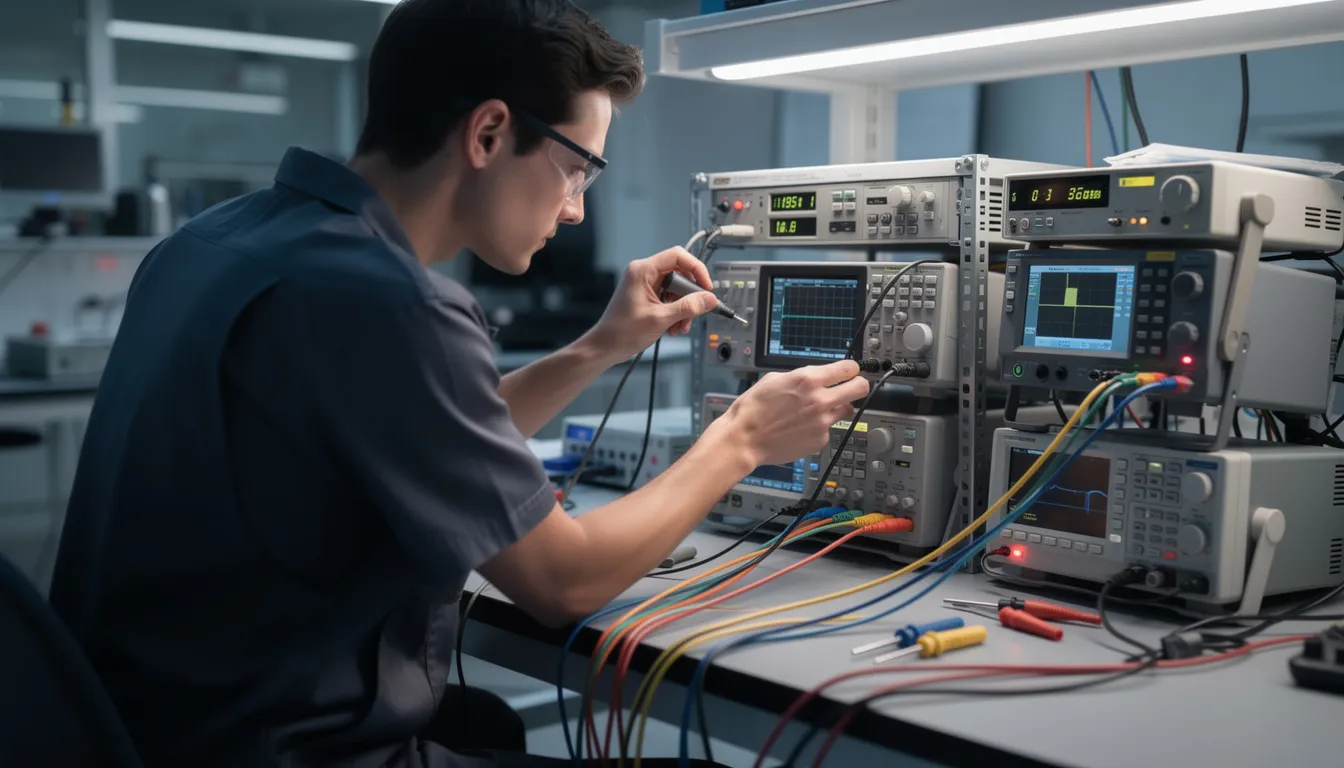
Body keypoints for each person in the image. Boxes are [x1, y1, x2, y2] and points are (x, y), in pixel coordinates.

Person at [48, 1, 869, 766]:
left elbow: (418, 430)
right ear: (487, 133)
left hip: (138, 729)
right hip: (276, 745)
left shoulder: (213, 243)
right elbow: (563, 582)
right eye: (577, 167)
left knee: (491, 728)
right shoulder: (388, 302)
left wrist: (597, 348)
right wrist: (743, 439)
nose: (578, 209)